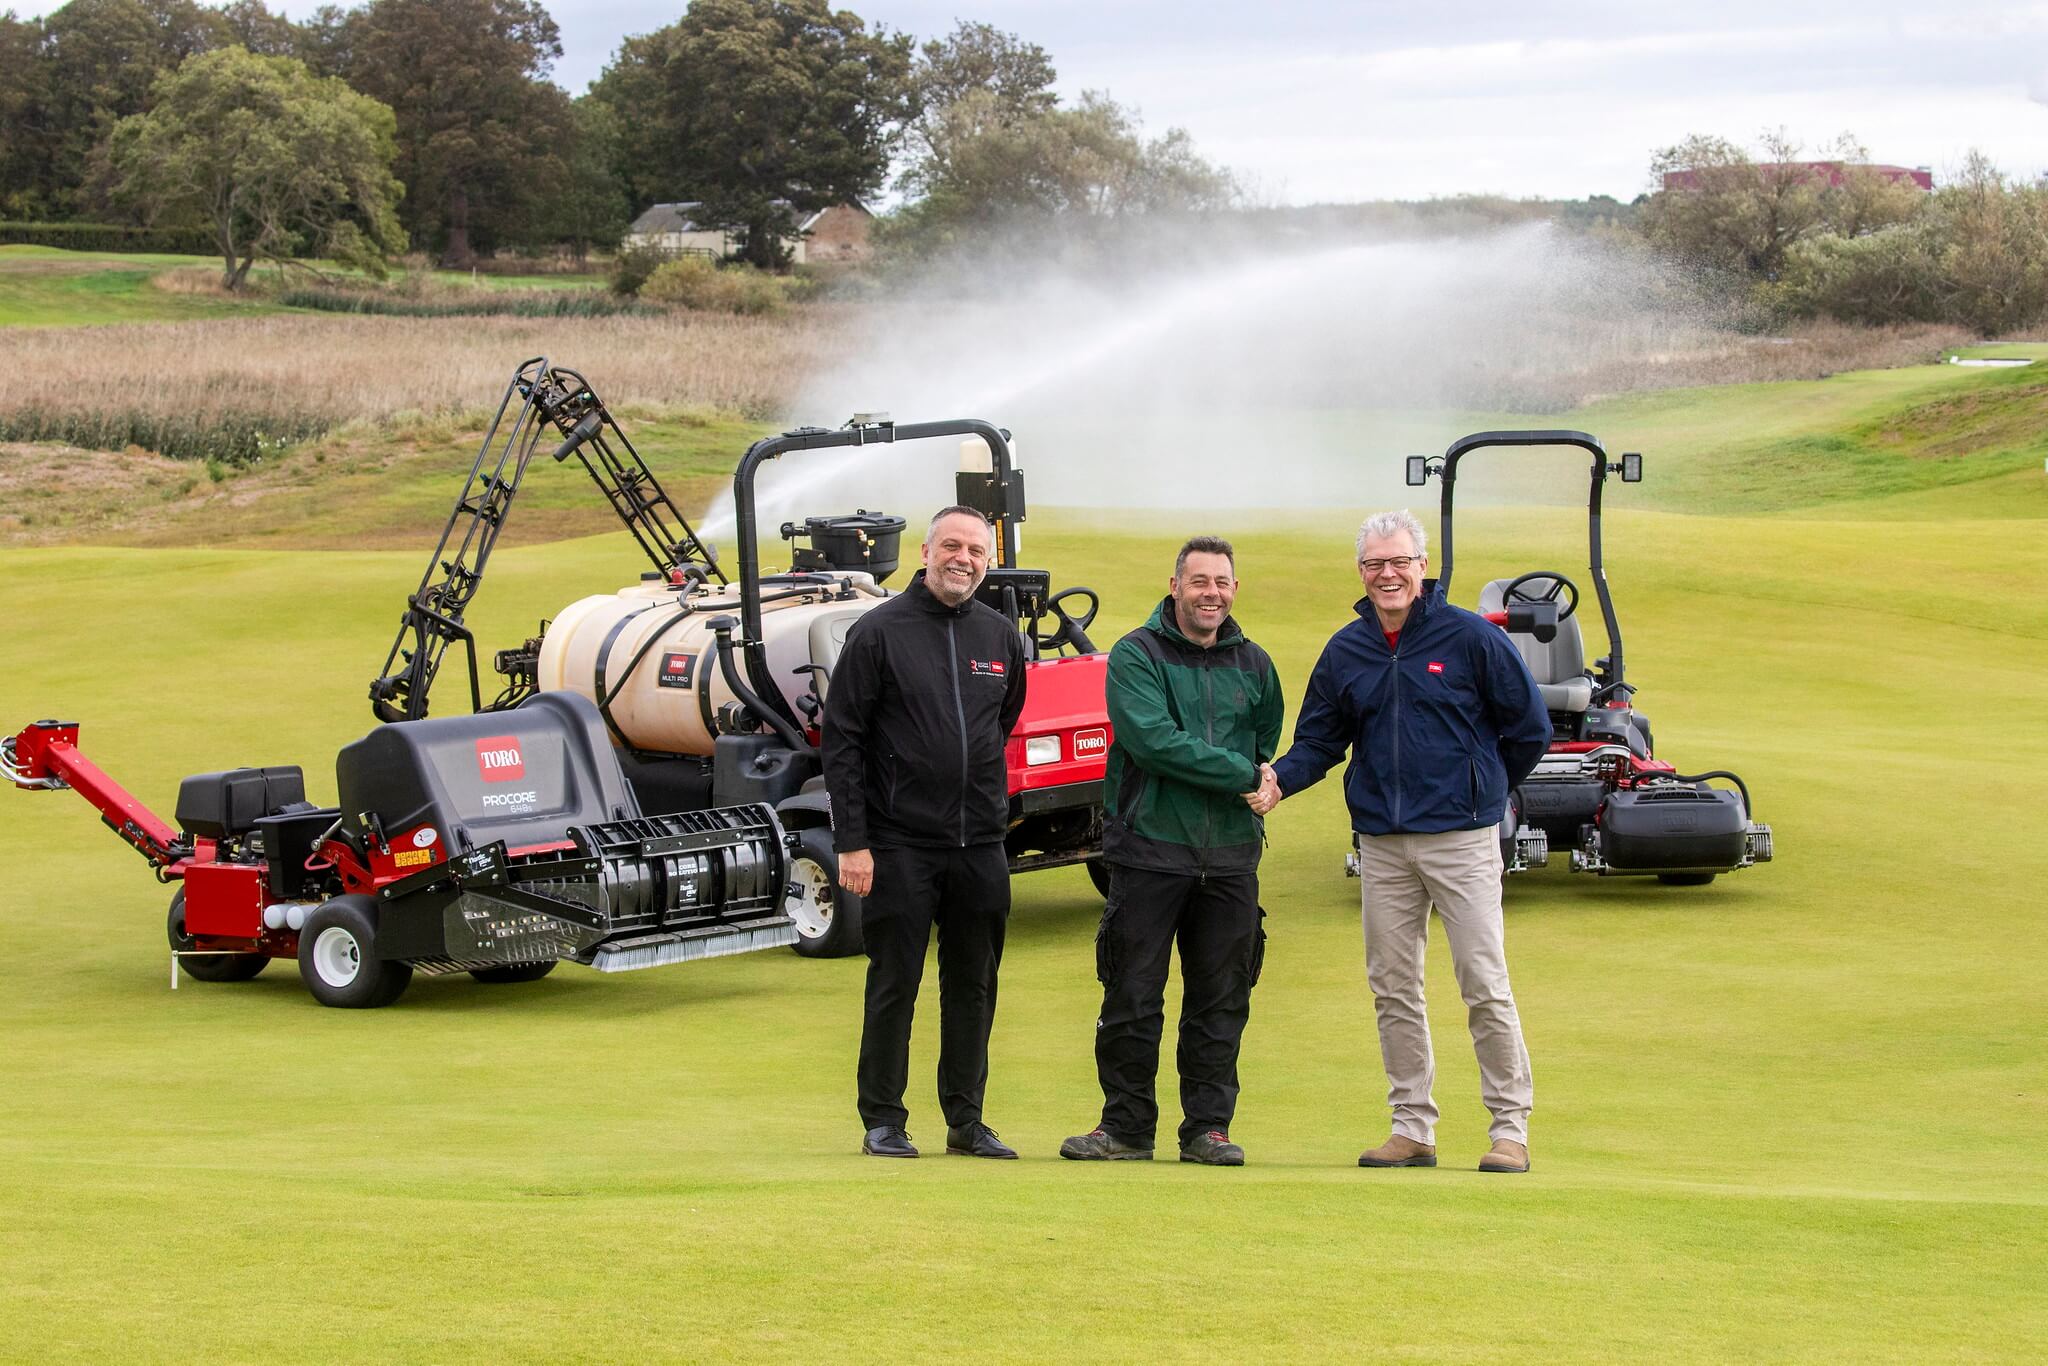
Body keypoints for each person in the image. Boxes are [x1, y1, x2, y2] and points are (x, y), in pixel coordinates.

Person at [1255, 510, 1550, 1173]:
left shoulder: (1470, 639)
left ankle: (1510, 1130)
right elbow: (1320, 741)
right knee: (1393, 988)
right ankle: (1412, 1125)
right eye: (1374, 565)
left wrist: (1486, 789)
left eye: (1399, 562)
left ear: (1422, 566)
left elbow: (1528, 728)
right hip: (1382, 845)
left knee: (1484, 983)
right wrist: (1279, 782)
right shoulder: (1348, 649)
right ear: (1361, 572)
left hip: (1463, 838)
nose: (1387, 575)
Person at [1061, 536, 1283, 1166]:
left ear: (1234, 589)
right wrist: (1241, 774)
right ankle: (1126, 1128)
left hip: (1234, 857)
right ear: (1175, 585)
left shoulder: (1256, 664)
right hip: (1150, 850)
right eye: (1199, 581)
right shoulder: (1137, 654)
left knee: (1222, 999)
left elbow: (1267, 734)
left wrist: (1249, 769)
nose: (1210, 592)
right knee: (1132, 994)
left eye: (1222, 582)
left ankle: (1207, 1129)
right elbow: (1152, 740)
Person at [821, 506, 1028, 1160]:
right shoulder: (878, 633)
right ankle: (883, 1119)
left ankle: (967, 1121)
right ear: (926, 549)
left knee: (974, 987)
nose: (963, 558)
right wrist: (853, 841)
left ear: (988, 561)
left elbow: (1002, 723)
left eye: (976, 550)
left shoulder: (999, 636)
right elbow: (843, 742)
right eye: (952, 546)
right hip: (899, 845)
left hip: (980, 846)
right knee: (895, 984)